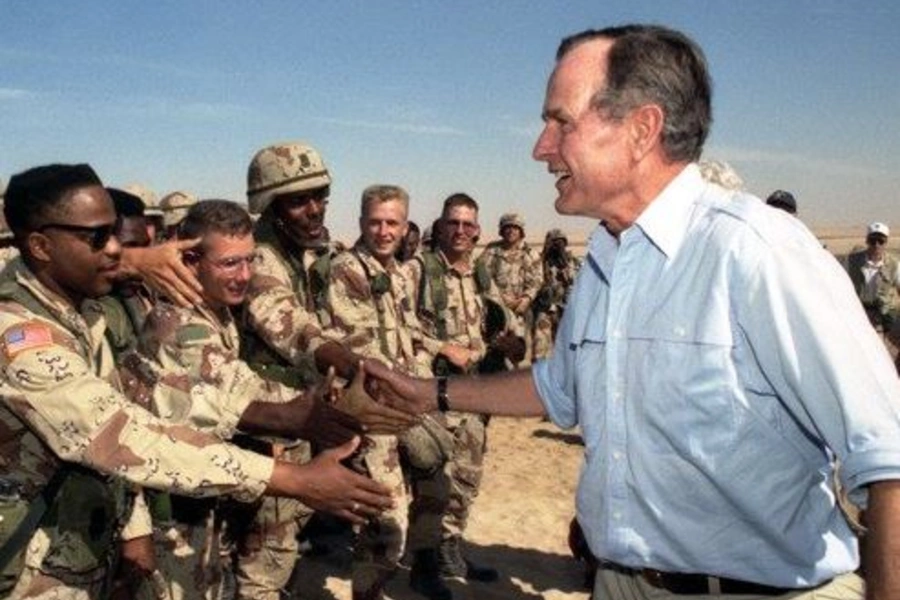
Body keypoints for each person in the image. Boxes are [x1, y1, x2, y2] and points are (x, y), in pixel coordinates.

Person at [365, 24, 900, 600]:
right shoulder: (606, 257)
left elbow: (888, 457)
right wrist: (429, 393)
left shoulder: (758, 253)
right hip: (622, 583)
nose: (540, 147)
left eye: (560, 121)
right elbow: (558, 387)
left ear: (643, 128)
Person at [0, 163, 394, 600]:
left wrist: (134, 529)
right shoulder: (20, 338)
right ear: (40, 245)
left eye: (116, 234)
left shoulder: (80, 311)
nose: (116, 250)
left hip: (84, 546)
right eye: (97, 238)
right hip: (34, 569)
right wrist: (290, 477)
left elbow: (155, 397)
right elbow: (119, 434)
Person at [325, 185, 463, 600]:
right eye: (375, 222)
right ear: (362, 222)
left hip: (406, 405)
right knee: (387, 521)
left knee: (429, 492)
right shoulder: (347, 269)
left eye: (392, 223)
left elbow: (411, 336)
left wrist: (438, 361)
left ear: (406, 226)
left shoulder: (401, 274)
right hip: (375, 412)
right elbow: (361, 350)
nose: (384, 231)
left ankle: (397, 580)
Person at [402, 193, 527, 599]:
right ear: (439, 227)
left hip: (474, 395)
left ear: (477, 231)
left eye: (467, 225)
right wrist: (441, 348)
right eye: (452, 223)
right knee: (433, 482)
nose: (460, 231)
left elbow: (502, 321)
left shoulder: (480, 273)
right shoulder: (418, 270)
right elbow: (396, 326)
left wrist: (512, 342)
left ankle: (450, 549)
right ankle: (423, 563)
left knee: (467, 478)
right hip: (435, 393)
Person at [476, 213, 541, 360]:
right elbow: (482, 274)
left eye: (515, 228)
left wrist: (525, 299)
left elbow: (536, 280)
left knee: (519, 350)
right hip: (496, 309)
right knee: (495, 349)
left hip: (521, 310)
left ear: (521, 231)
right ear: (501, 230)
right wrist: (498, 298)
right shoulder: (491, 251)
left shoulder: (530, 254)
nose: (511, 231)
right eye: (507, 227)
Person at [845, 222, 900, 360]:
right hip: (858, 314)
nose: (876, 245)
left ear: (886, 242)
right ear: (867, 241)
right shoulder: (852, 262)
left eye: (880, 241)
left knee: (881, 357)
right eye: (872, 240)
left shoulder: (894, 265)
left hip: (882, 318)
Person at [531, 228, 580, 360]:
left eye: (560, 242)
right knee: (540, 349)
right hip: (545, 309)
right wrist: (544, 257)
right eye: (553, 242)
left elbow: (576, 282)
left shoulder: (573, 262)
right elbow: (533, 282)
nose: (557, 246)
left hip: (565, 310)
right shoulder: (538, 262)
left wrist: (565, 265)